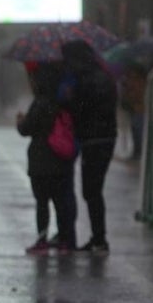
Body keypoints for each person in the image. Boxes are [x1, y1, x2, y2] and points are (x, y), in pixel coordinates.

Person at [61, 39, 118, 255]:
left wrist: (70, 99)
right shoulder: (100, 75)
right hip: (101, 138)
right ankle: (98, 237)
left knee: (91, 190)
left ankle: (99, 239)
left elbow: (82, 109)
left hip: (96, 140)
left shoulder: (89, 80)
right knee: (92, 190)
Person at [16, 62, 76, 255]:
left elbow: (26, 129)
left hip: (41, 162)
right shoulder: (63, 101)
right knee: (61, 202)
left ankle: (42, 240)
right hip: (61, 159)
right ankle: (65, 240)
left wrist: (20, 121)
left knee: (42, 203)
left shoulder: (40, 103)